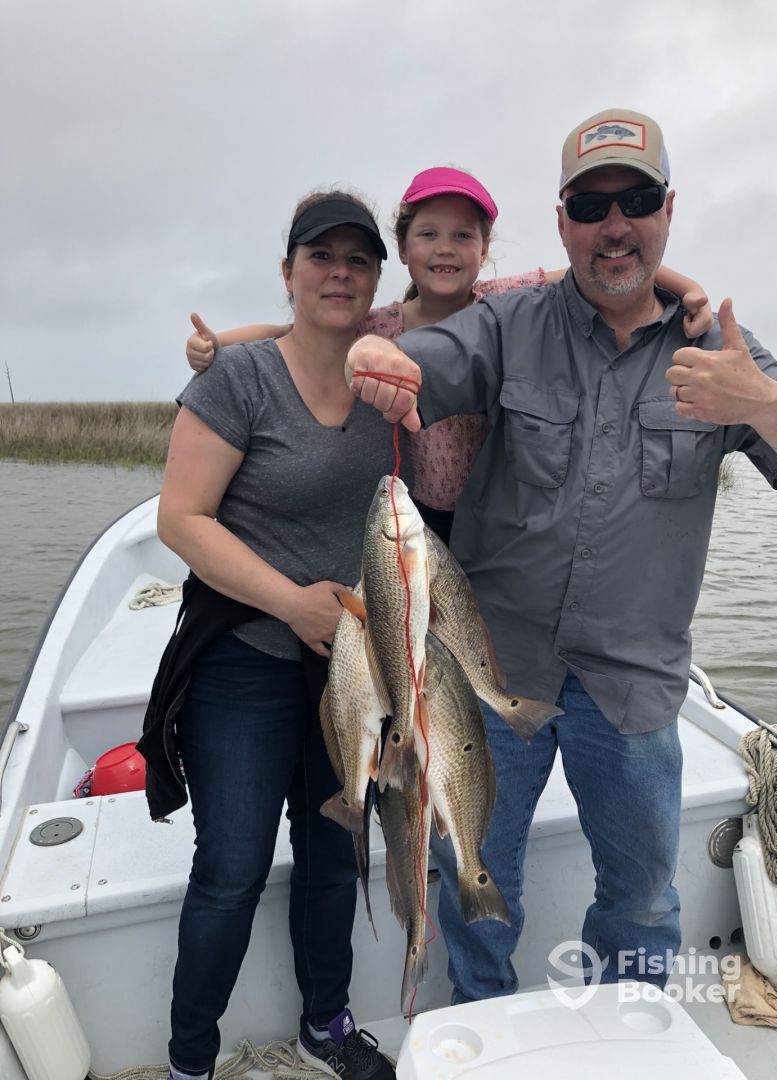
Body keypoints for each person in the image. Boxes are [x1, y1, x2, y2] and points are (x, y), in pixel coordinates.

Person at [344, 108, 777, 1005]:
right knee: (476, 874)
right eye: (591, 206)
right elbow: (427, 355)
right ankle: (482, 1020)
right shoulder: (509, 323)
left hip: (632, 685)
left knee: (642, 901)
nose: (615, 225)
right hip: (493, 671)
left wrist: (761, 402)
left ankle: (629, 1034)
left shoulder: (722, 353)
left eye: (636, 200)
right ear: (562, 222)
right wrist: (379, 357)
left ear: (668, 209)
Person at [138, 191, 398, 1080]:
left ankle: (325, 1023)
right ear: (288, 271)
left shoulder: (388, 380)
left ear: (377, 280)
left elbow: (498, 289)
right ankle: (190, 1060)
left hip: (348, 667)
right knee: (233, 868)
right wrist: (293, 603)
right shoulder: (237, 379)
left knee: (334, 856)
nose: (339, 273)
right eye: (321, 256)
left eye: (358, 260)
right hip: (245, 659)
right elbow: (182, 518)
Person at [185, 166, 712, 543]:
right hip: (416, 514)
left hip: (501, 513)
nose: (445, 248)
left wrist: (686, 287)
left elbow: (588, 272)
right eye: (428, 234)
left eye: (463, 236)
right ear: (403, 249)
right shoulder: (379, 327)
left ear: (484, 251)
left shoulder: (505, 301)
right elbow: (287, 331)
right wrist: (219, 342)